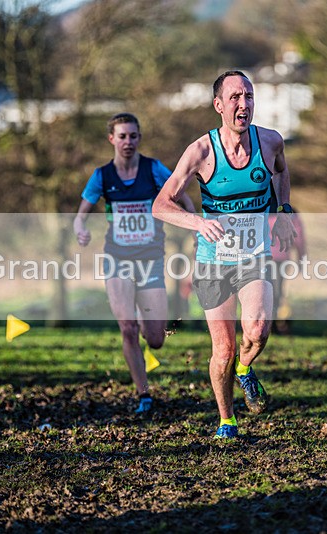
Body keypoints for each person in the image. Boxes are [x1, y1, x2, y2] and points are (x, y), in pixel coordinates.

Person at [152, 71, 296, 438]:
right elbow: (161, 205)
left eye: (248, 96)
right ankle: (227, 420)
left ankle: (246, 369)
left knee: (258, 330)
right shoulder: (201, 152)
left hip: (255, 257)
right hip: (213, 262)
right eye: (234, 97)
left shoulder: (270, 142)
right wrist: (198, 223)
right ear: (218, 105)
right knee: (223, 350)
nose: (243, 104)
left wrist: (283, 210)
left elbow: (281, 171)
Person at [74, 113, 194, 414]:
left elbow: (183, 198)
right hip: (117, 260)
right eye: (122, 136)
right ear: (111, 139)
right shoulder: (102, 176)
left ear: (139, 138)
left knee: (155, 340)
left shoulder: (154, 169)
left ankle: (145, 319)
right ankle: (144, 394)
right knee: (127, 329)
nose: (128, 141)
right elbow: (81, 214)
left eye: (133, 136)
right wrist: (80, 229)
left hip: (150, 260)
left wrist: (195, 226)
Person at [267, 209, 307, 335]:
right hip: (278, 258)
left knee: (266, 291)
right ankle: (270, 324)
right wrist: (301, 259)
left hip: (263, 258)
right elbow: (299, 238)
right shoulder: (291, 213)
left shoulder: (261, 207)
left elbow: (298, 237)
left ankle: (267, 324)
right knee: (275, 292)